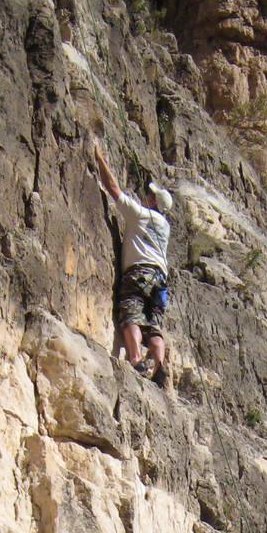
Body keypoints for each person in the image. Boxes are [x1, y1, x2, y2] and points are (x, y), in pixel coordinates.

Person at [93, 140, 172, 380]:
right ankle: (159, 365)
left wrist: (99, 158)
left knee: (131, 313)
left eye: (150, 195)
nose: (146, 196)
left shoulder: (141, 215)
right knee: (153, 327)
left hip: (139, 273)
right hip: (160, 280)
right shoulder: (165, 227)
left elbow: (113, 189)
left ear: (153, 203)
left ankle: (136, 359)